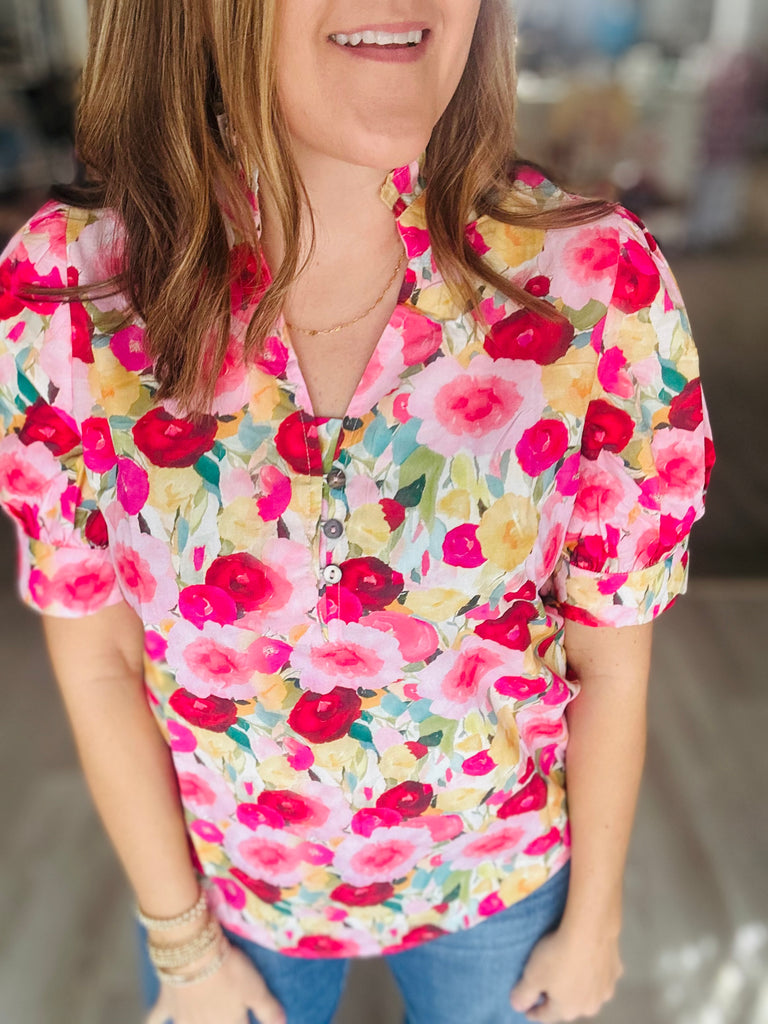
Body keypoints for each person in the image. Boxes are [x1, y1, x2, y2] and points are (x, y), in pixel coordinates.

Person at [0, 2, 715, 1023]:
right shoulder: (69, 293)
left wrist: (596, 917)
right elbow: (98, 661)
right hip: (228, 890)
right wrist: (183, 946)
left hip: (498, 879)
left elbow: (611, 662)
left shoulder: (595, 283)